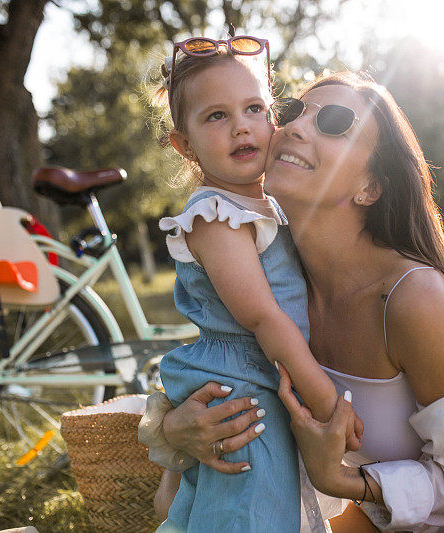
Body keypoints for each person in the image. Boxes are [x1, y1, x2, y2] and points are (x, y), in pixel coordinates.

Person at [150, 71, 444, 532]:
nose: (297, 127)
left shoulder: (411, 297)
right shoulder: (272, 285)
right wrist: (175, 432)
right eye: (290, 111)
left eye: (334, 123)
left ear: (370, 186)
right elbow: (220, 369)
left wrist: (348, 481)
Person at [140, 38, 361, 533]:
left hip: (269, 372)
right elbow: (262, 317)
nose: (241, 125)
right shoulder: (216, 217)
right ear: (185, 144)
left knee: (264, 503)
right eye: (216, 116)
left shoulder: (270, 207)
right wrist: (327, 401)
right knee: (252, 511)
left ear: (273, 119)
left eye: (254, 108)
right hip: (244, 385)